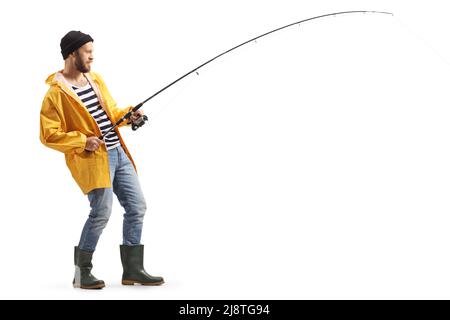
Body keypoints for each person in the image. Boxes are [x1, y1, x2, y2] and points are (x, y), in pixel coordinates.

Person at [40, 30, 164, 289]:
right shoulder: (56, 94)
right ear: (72, 54)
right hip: (93, 159)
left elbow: (112, 112)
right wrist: (83, 141)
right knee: (101, 212)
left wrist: (129, 115)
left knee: (137, 206)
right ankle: (82, 272)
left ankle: (133, 269)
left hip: (118, 152)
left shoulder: (95, 79)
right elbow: (49, 135)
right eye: (87, 51)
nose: (92, 56)